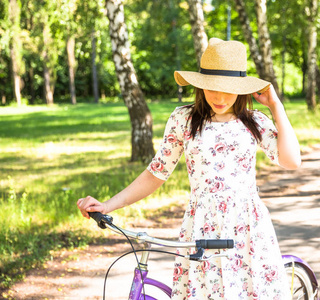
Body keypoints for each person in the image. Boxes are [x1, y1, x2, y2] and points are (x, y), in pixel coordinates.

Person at [77, 37, 301, 299]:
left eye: (228, 88)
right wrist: (108, 206)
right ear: (200, 84)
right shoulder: (184, 120)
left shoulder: (253, 122)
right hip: (201, 225)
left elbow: (291, 160)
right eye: (212, 87)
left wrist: (277, 106)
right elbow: (155, 173)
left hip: (247, 229)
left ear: (241, 88)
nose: (219, 97)